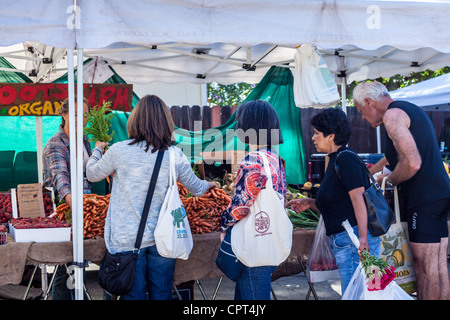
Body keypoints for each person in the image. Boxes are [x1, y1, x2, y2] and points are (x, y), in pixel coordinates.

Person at [86, 94, 216, 300]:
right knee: (162, 295)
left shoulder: (119, 150)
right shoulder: (175, 154)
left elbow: (92, 174)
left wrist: (97, 149)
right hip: (164, 239)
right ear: (166, 122)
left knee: (133, 296)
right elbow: (197, 188)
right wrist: (209, 184)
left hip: (127, 241)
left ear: (135, 121)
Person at [353, 80, 450, 300]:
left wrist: (389, 181)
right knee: (438, 265)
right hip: (439, 193)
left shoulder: (392, 116)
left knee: (424, 267)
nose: (362, 118)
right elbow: (397, 156)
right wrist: (376, 173)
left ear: (369, 102)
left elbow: (412, 163)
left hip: (424, 198)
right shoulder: (409, 109)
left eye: (361, 111)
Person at [287, 107, 381, 294]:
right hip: (349, 239)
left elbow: (358, 200)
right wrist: (310, 204)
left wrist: (362, 240)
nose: (313, 138)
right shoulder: (335, 159)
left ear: (331, 136)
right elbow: (340, 202)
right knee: (364, 293)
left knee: (360, 294)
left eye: (316, 133)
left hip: (355, 241)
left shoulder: (346, 160)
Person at [219, 100, 287, 300]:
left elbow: (240, 205)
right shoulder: (274, 158)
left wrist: (224, 223)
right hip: (269, 239)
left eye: (240, 121)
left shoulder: (253, 159)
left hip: (253, 244)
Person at [42, 96, 91, 300]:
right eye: (77, 114)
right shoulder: (56, 144)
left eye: (85, 115)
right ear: (64, 115)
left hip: (85, 207)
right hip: (64, 209)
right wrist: (78, 209)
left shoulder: (84, 139)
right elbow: (61, 181)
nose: (82, 119)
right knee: (67, 265)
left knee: (77, 264)